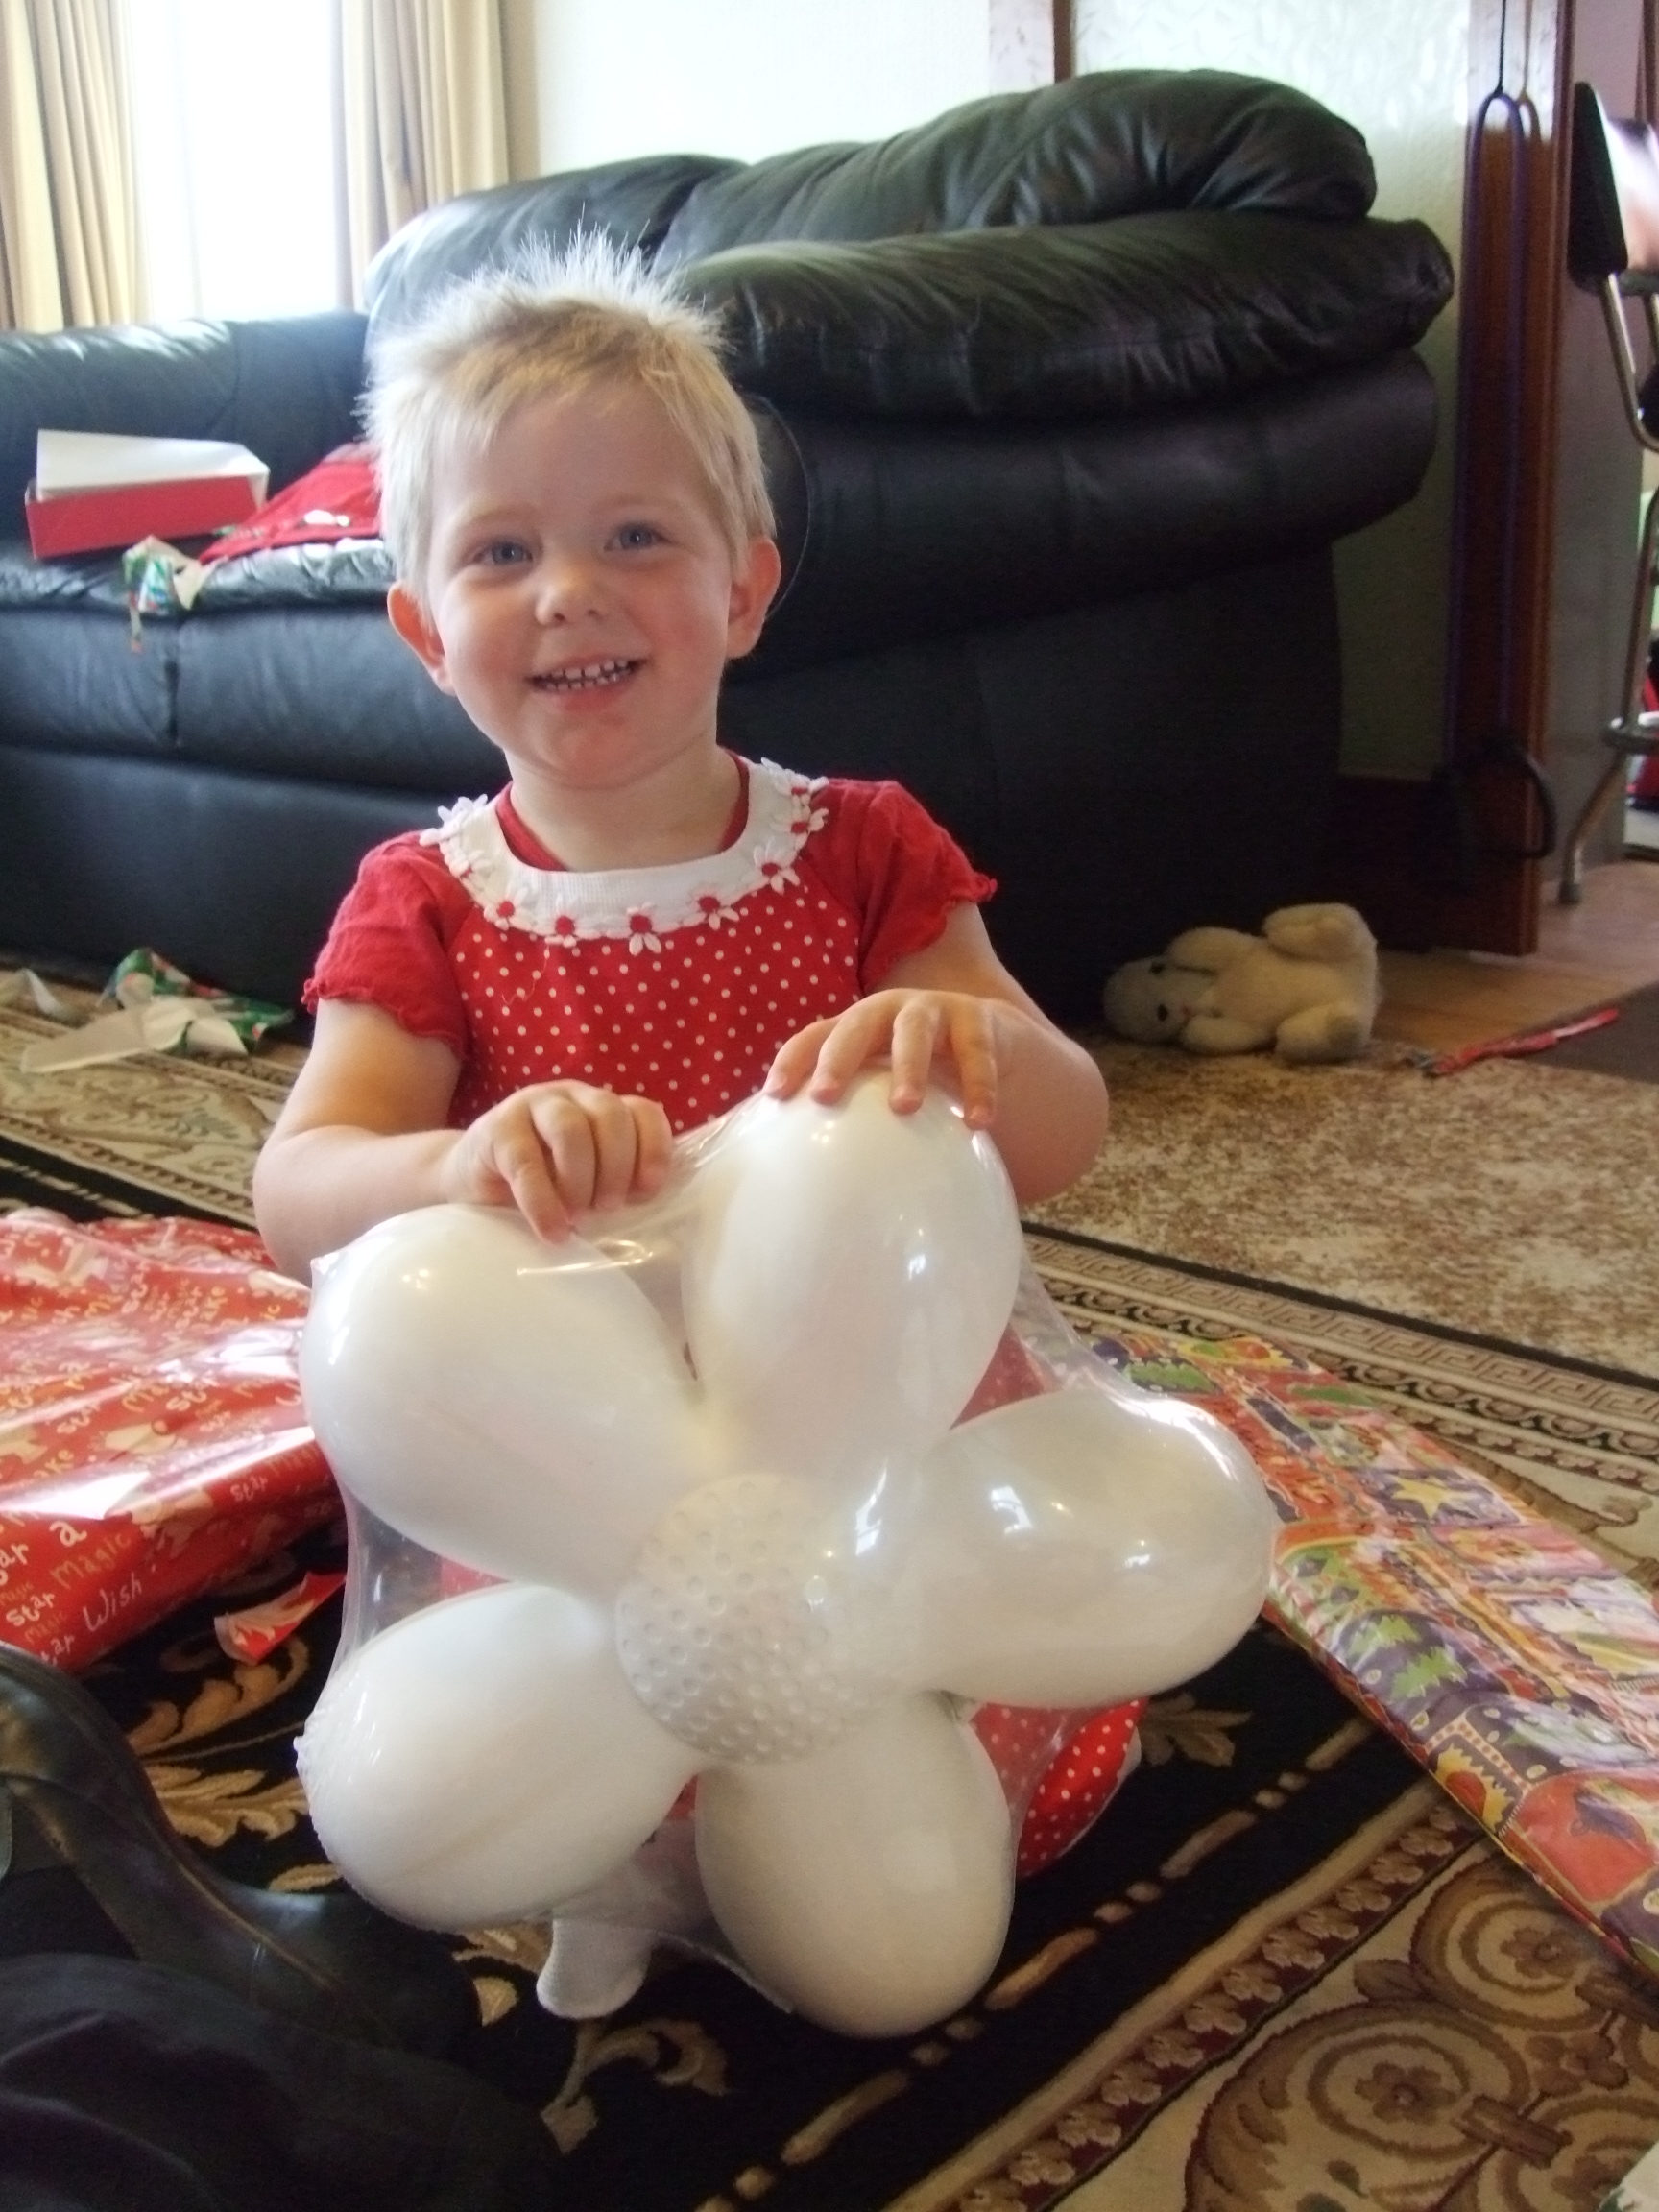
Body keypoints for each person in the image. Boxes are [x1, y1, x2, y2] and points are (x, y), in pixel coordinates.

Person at [252, 236, 1108, 1283]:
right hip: (549, 1358)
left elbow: (1065, 1139)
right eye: (502, 552)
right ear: (428, 634)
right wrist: (453, 1166)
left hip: (842, 1344)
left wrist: (982, 1051)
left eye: (635, 537)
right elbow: (297, 1192)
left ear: (741, 594)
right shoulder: (424, 905)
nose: (570, 593)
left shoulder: (864, 852)